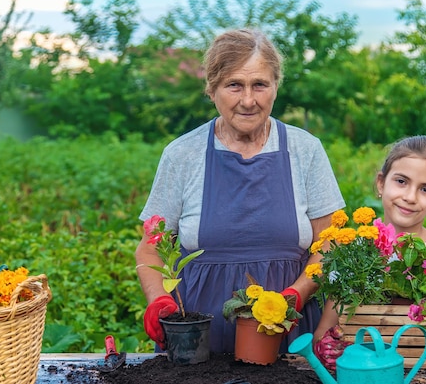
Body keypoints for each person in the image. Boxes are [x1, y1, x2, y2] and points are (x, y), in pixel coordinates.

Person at [134, 28, 345, 354]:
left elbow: (329, 241)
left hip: (288, 332)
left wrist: (295, 295)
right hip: (198, 339)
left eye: (260, 84)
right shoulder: (182, 154)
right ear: (212, 89)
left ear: (276, 86)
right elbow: (150, 249)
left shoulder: (305, 150)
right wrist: (160, 300)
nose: (248, 100)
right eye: (234, 85)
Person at [312, 135, 426, 370]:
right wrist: (331, 347)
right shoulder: (353, 255)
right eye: (401, 181)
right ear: (381, 183)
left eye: (425, 189)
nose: (410, 197)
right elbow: (325, 333)